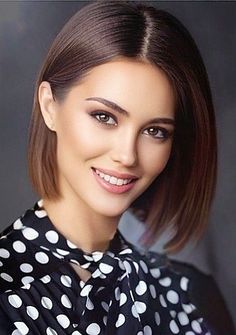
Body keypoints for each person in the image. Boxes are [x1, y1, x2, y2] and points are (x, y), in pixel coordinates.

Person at [0, 1, 234, 334]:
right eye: (104, 117)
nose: (127, 155)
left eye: (155, 131)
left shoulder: (193, 292)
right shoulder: (7, 287)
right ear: (50, 106)